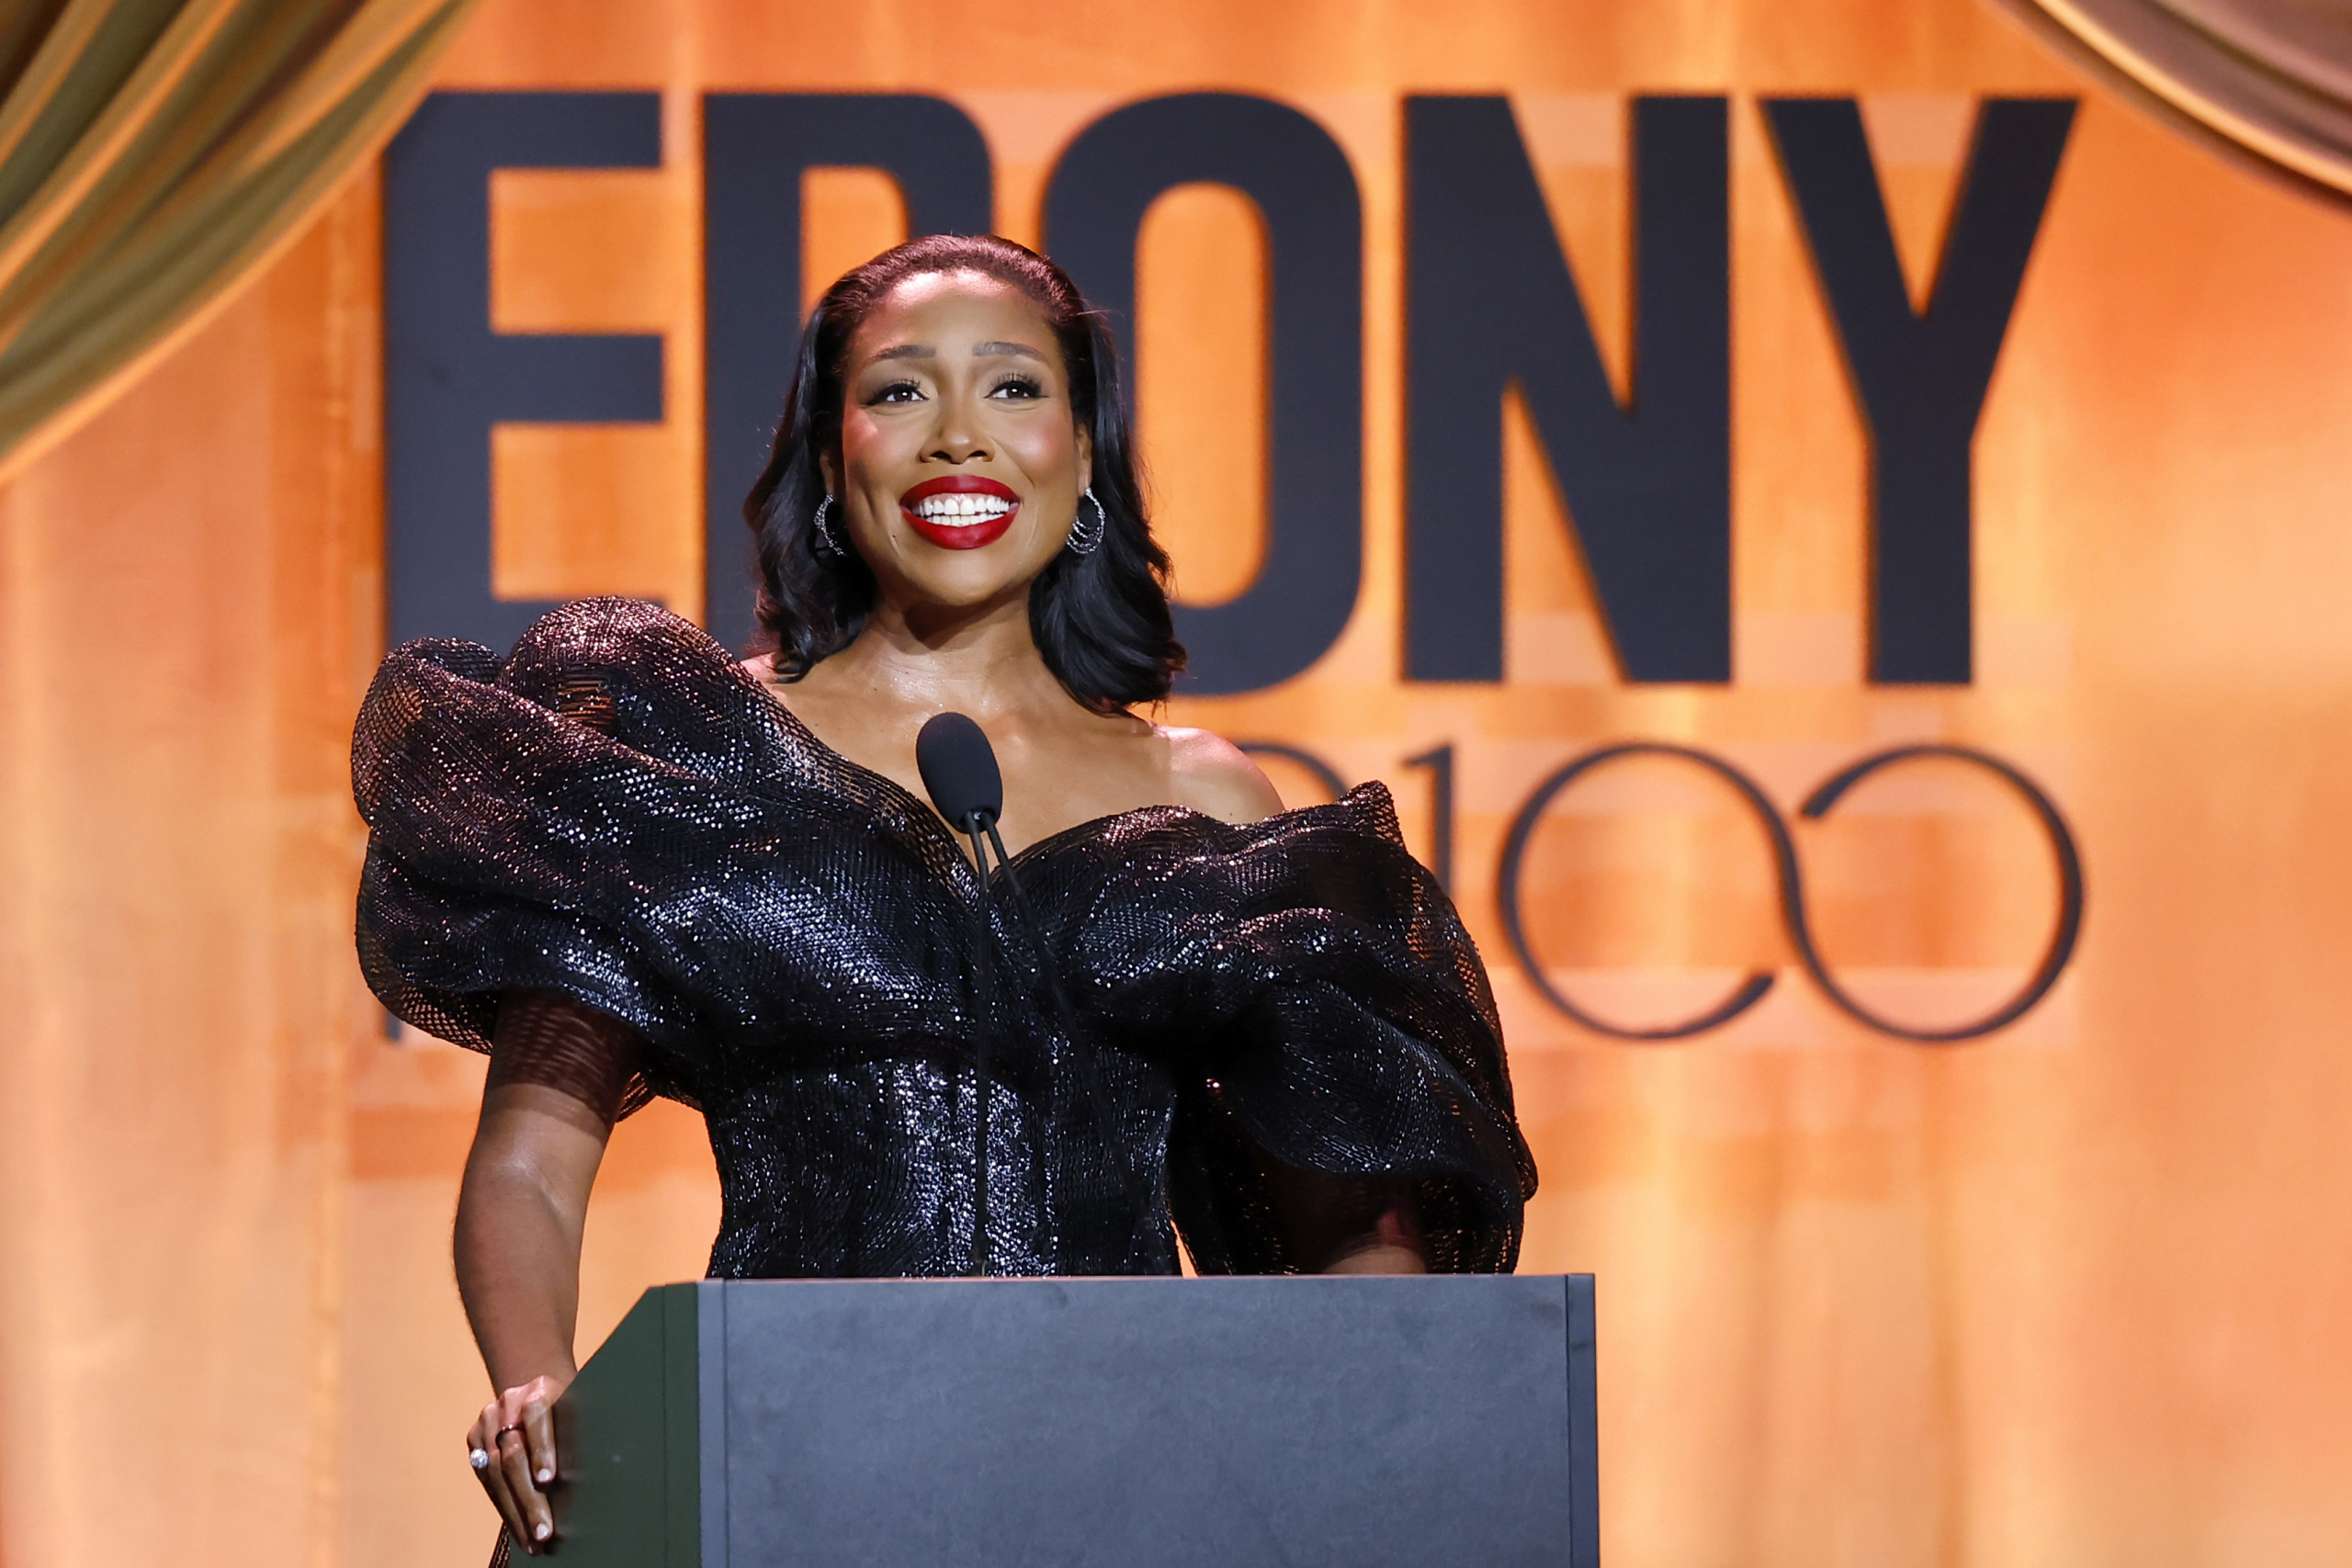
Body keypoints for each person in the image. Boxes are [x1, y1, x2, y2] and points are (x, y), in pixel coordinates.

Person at [353, 234, 1535, 1557]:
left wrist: (1385, 1442)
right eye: (903, 392)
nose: (959, 438)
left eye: (1015, 390)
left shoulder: (1211, 800)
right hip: (784, 1468)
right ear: (828, 457)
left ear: (1085, 457)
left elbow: (1349, 1223)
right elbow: (533, 1159)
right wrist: (537, 1385)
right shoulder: (701, 756)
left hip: (1141, 1483)